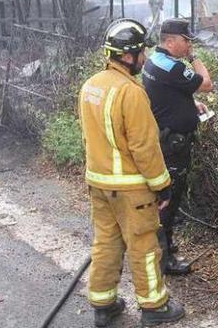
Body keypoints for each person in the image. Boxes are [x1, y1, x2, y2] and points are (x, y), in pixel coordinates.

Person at [78, 18, 185, 327]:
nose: (145, 58)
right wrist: (162, 184)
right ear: (127, 56)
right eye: (142, 52)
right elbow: (144, 147)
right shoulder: (131, 93)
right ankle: (154, 307)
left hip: (98, 183)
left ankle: (104, 304)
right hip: (131, 188)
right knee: (144, 246)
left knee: (106, 243)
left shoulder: (91, 86)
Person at [142, 18, 214, 275]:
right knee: (167, 201)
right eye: (186, 41)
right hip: (173, 143)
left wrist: (187, 105)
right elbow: (207, 83)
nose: (189, 45)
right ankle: (164, 260)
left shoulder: (153, 61)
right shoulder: (173, 67)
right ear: (170, 40)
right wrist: (194, 58)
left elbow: (164, 93)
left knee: (166, 198)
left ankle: (164, 250)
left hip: (164, 136)